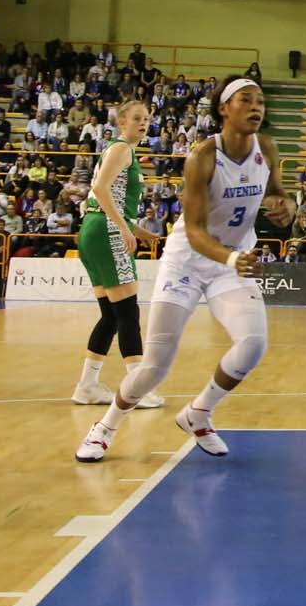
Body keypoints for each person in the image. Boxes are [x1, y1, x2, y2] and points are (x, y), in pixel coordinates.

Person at [75, 78, 290, 461]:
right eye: (246, 100)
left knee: (253, 343)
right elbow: (194, 230)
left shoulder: (268, 148)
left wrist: (285, 207)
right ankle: (105, 427)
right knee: (155, 366)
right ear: (224, 108)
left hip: (231, 263)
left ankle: (199, 412)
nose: (257, 107)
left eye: (260, 101)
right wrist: (230, 258)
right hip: (188, 262)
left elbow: (275, 192)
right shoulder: (202, 157)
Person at [69, 101, 165, 410]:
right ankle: (136, 390)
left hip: (95, 229)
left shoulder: (119, 150)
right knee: (127, 313)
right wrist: (124, 229)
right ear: (122, 121)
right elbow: (99, 188)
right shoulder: (122, 149)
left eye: (147, 118)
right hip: (106, 231)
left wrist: (137, 230)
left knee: (110, 315)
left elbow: (111, 198)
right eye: (137, 118)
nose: (144, 122)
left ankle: (87, 386)